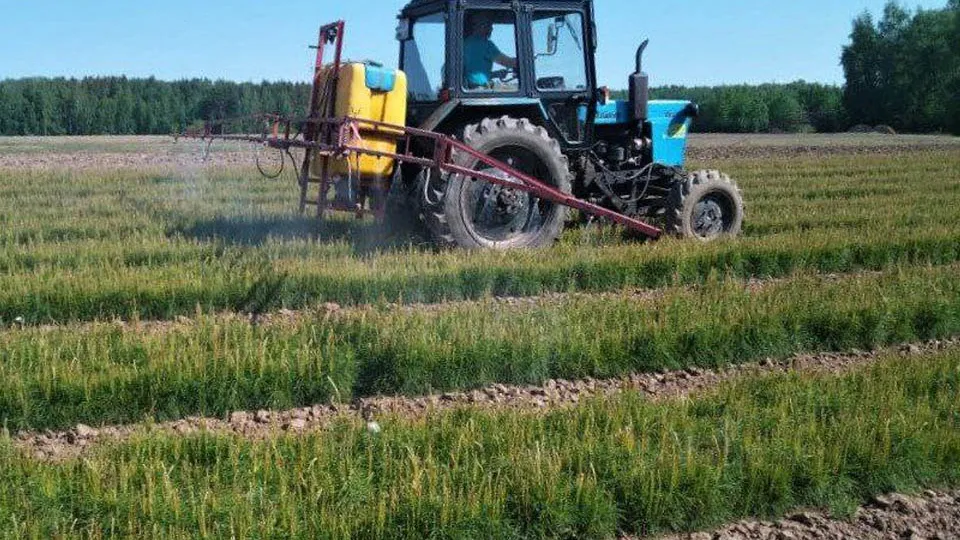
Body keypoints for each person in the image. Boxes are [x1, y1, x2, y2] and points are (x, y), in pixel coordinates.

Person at [463, 13, 518, 89]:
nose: (491, 29)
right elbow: (508, 62)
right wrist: (525, 61)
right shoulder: (485, 44)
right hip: (479, 91)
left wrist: (496, 74)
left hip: (469, 89)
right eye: (488, 25)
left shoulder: (464, 43)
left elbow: (473, 73)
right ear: (478, 26)